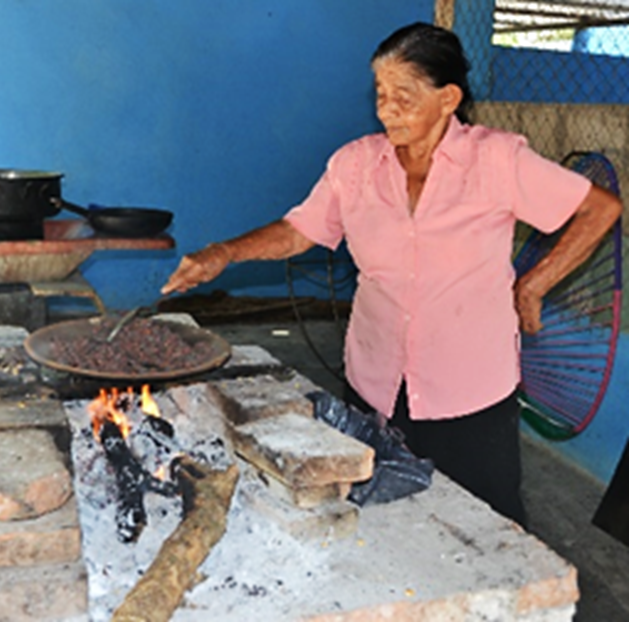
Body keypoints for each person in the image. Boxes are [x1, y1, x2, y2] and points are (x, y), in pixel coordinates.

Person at [160, 22, 623, 526]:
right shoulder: (356, 164)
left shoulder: (495, 159)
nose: (386, 109)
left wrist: (532, 285)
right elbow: (299, 232)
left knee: (486, 524)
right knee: (379, 517)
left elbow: (599, 209)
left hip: (470, 388)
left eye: (404, 96)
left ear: (448, 98)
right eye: (380, 94)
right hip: (375, 378)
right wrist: (224, 252)